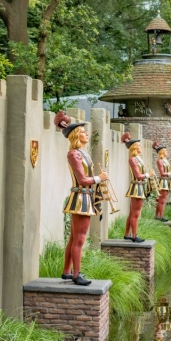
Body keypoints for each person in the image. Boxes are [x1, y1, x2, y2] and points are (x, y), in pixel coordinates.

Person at [55, 112, 108, 284]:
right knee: (79, 238)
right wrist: (100, 178)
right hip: (80, 197)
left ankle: (67, 271)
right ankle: (77, 274)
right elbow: (82, 180)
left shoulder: (82, 153)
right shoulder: (74, 154)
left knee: (74, 237)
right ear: (77, 135)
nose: (86, 133)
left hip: (85, 196)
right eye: (83, 132)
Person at [123, 133, 154, 241]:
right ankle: (134, 236)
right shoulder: (133, 159)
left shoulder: (137, 159)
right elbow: (138, 175)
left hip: (139, 186)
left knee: (132, 212)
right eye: (139, 146)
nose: (140, 147)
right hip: (137, 187)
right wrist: (148, 175)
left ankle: (127, 234)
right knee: (136, 213)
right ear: (134, 147)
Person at [153, 140, 171, 221]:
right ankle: (161, 216)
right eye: (165, 150)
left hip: (166, 181)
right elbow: (162, 173)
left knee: (161, 199)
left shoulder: (165, 160)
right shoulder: (160, 161)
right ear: (162, 152)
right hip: (163, 181)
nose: (167, 152)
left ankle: (157, 216)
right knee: (162, 200)